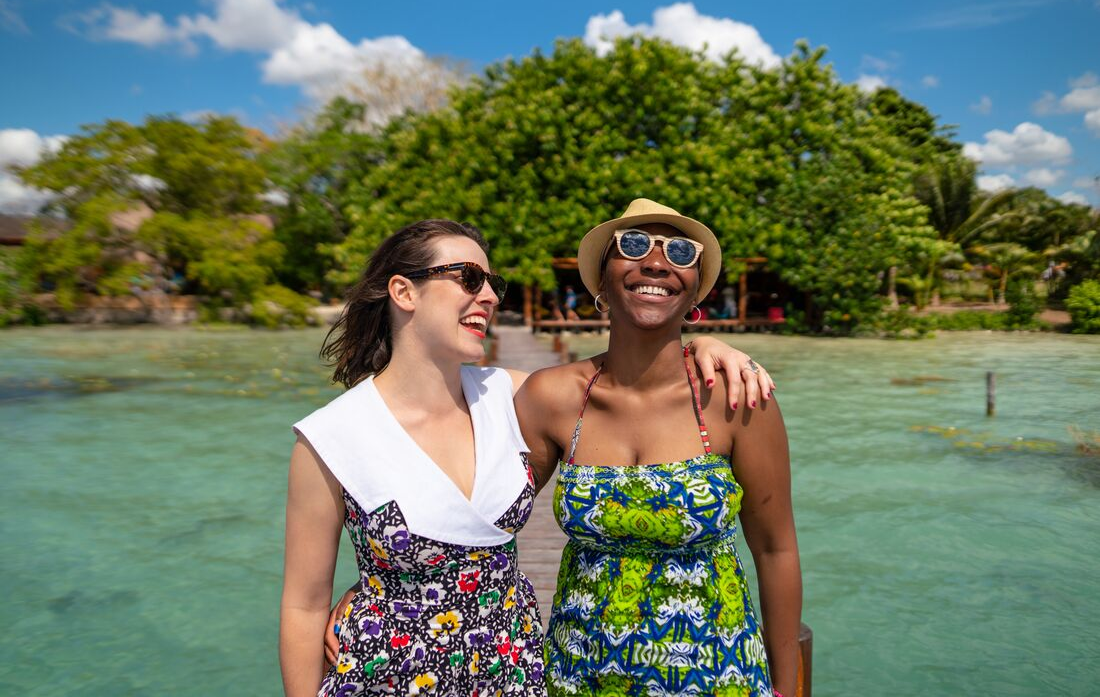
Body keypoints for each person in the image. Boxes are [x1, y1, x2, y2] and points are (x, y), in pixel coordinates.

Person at [285, 219, 773, 697]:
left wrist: (705, 346)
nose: (491, 297)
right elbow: (304, 607)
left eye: (492, 284)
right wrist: (380, 585)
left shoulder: (511, 396)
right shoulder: (332, 436)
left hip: (512, 674)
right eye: (469, 278)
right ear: (403, 292)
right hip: (386, 677)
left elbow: (628, 382)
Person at [516, 199, 802, 697]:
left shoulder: (736, 398)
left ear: (694, 289)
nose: (655, 262)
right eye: (632, 246)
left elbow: (776, 550)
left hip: (717, 675)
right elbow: (490, 522)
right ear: (601, 281)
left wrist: (785, 688)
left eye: (680, 252)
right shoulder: (552, 397)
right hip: (579, 675)